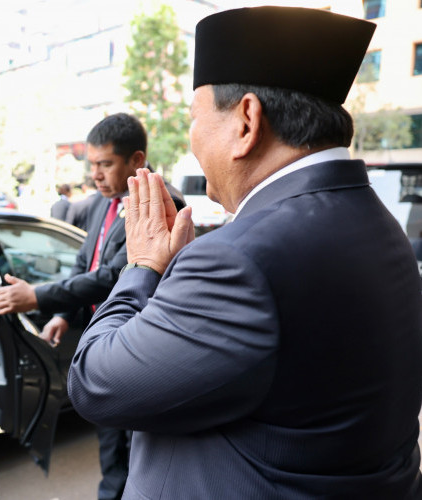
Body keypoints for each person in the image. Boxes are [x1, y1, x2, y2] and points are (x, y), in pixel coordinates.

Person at [67, 7, 422, 499]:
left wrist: (142, 265)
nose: (191, 139)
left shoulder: (237, 260)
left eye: (194, 117)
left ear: (246, 121)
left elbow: (94, 383)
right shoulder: (377, 223)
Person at [0, 112, 184, 500]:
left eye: (105, 164)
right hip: (106, 343)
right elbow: (85, 264)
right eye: (92, 164)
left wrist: (38, 296)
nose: (95, 174)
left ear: (136, 160)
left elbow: (116, 274)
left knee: (141, 457)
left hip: (142, 348)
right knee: (111, 453)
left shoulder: (164, 204)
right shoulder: (100, 203)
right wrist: (63, 314)